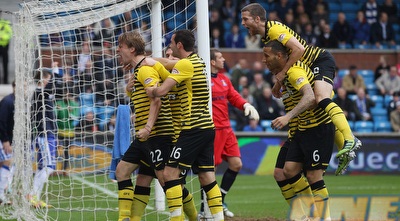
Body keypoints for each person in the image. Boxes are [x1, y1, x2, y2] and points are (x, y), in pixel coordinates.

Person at [240, 3, 361, 175]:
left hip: (319, 61)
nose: (243, 24)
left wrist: (281, 74)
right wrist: (279, 82)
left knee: (320, 98)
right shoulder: (267, 37)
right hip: (308, 69)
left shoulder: (274, 29)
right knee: (321, 105)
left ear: (257, 19)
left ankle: (350, 138)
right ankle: (345, 147)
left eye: (245, 19)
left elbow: (299, 49)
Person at [145, 29, 224, 221]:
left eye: (172, 43)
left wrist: (151, 91)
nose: (170, 46)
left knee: (170, 174)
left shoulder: (186, 64)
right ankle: (219, 218)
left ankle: (176, 219)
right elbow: (167, 64)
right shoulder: (196, 61)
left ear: (179, 45)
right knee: (206, 177)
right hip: (206, 127)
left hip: (192, 129)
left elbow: (162, 90)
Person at [265, 40, 334, 220]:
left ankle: (323, 217)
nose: (264, 60)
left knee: (313, 175)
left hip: (318, 127)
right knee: (286, 171)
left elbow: (311, 96)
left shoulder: (294, 72)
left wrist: (287, 117)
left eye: (267, 56)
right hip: (301, 129)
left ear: (279, 56)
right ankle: (305, 215)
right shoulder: (284, 75)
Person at [114, 31, 175, 221]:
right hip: (144, 136)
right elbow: (144, 98)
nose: (118, 50)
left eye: (121, 46)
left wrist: (148, 127)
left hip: (157, 134)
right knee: (122, 172)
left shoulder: (146, 69)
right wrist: (129, 91)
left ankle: (189, 215)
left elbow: (156, 99)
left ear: (132, 49)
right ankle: (126, 218)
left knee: (168, 181)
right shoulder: (138, 70)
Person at [205, 48, 259, 217]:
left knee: (236, 164)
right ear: (212, 62)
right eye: (220, 57)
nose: (223, 59)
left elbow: (234, 96)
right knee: (209, 172)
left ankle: (219, 200)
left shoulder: (224, 80)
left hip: (227, 129)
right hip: (212, 130)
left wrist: (245, 105)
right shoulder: (203, 80)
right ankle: (203, 210)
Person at [30, 70, 58, 208]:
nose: (49, 81)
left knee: (44, 167)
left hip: (49, 133)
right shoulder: (39, 93)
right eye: (48, 79)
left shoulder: (43, 93)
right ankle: (33, 195)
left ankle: (34, 197)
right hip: (44, 134)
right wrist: (56, 72)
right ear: (43, 80)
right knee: (49, 167)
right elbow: (55, 88)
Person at [0, 81, 15, 204]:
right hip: (3, 139)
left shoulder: (20, 102)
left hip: (9, 138)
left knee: (7, 163)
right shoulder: (7, 101)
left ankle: (4, 191)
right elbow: (2, 122)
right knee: (7, 162)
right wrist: (5, 141)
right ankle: (1, 193)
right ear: (14, 87)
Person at [0, 17, 12, 84]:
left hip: (4, 47)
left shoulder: (5, 22)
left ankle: (5, 81)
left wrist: (2, 37)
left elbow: (10, 34)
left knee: (5, 65)